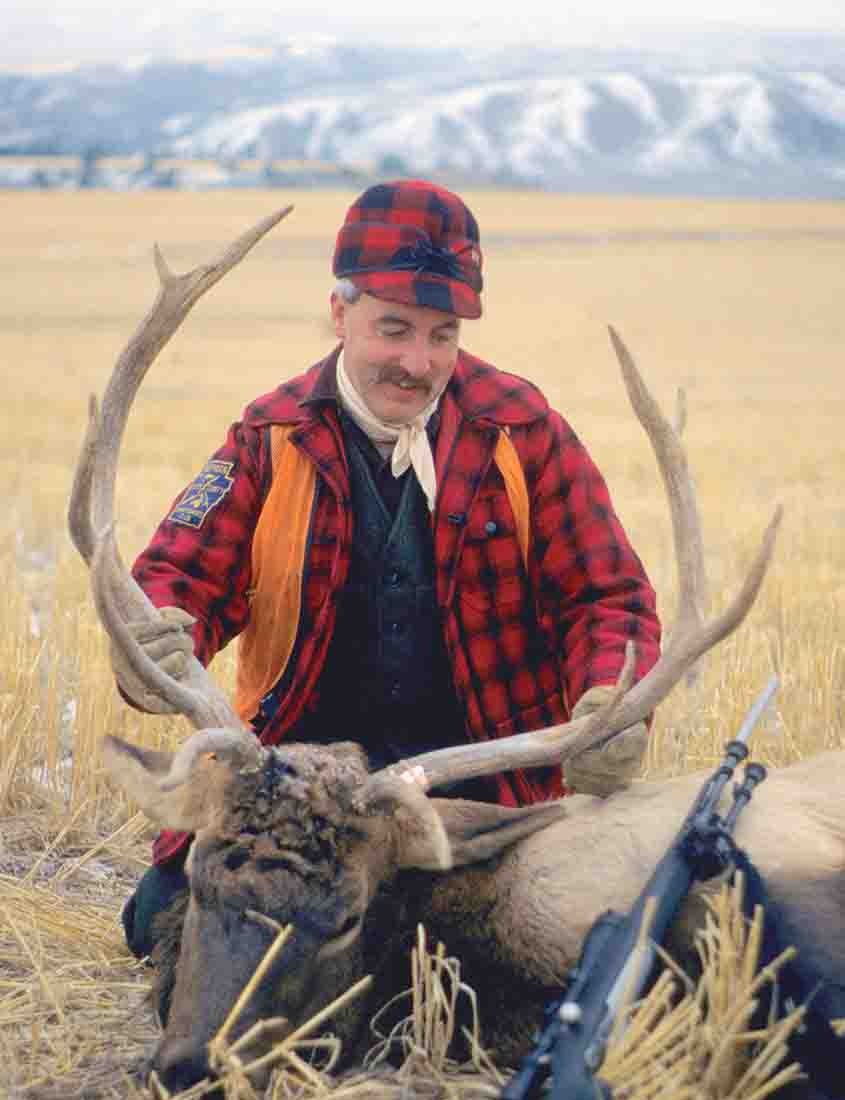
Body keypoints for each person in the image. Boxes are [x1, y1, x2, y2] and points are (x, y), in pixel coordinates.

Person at [115, 179, 661, 959]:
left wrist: (616, 699)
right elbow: (173, 580)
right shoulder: (272, 435)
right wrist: (151, 648)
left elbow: (608, 598)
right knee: (158, 925)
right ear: (340, 313)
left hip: (481, 796)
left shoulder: (521, 429)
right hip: (301, 799)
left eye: (442, 335)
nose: (417, 362)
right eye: (393, 328)